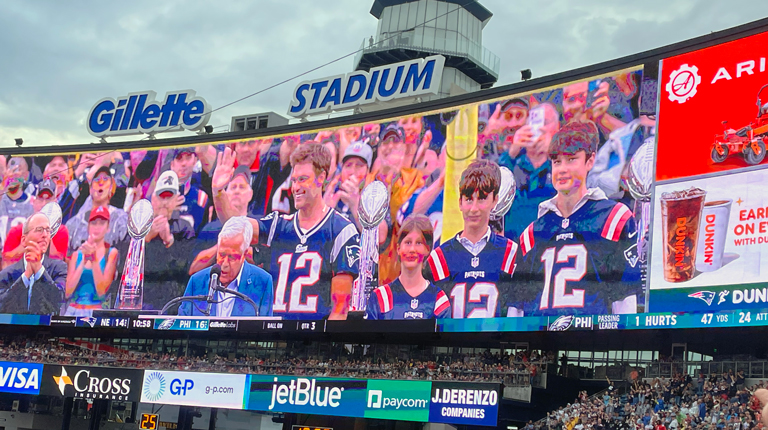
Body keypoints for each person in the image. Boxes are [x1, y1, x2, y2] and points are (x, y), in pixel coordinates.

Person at [510, 121, 641, 316]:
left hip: (593, 342)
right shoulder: (532, 232)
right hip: (537, 343)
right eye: (557, 162)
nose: (562, 169)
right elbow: (518, 307)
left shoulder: (614, 218)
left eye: (571, 159)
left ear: (590, 161)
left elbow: (624, 298)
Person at [221, 144, 360, 320]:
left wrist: (324, 345)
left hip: (314, 340)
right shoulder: (278, 225)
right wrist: (219, 193)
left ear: (321, 178)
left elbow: (340, 309)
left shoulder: (341, 230)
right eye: (293, 180)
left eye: (302, 179)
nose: (295, 187)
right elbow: (235, 226)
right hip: (273, 337)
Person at [426, 160, 519, 318]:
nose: (474, 208)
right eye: (469, 199)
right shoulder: (439, 258)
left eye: (482, 199)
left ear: (495, 201)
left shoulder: (511, 253)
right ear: (460, 202)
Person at [178, 217, 273, 317]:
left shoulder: (263, 282)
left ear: (244, 255)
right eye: (221, 255)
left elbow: (264, 328)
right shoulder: (197, 281)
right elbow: (181, 326)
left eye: (232, 257)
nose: (225, 264)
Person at [366, 214, 450, 320]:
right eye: (408, 242)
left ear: (427, 250)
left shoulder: (438, 300)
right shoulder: (380, 297)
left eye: (419, 243)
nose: (412, 249)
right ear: (398, 248)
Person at [498, 102, 559, 241]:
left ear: (556, 127)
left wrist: (554, 152)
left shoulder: (560, 162)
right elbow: (492, 187)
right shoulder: (512, 163)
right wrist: (512, 152)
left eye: (545, 122)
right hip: (515, 245)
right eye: (535, 121)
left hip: (549, 246)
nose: (539, 127)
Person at [140, 170, 198, 311]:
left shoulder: (185, 227)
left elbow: (186, 267)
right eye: (161, 197)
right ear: (153, 199)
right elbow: (128, 264)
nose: (165, 202)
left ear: (176, 199)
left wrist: (169, 241)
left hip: (173, 301)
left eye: (169, 197)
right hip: (145, 298)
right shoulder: (141, 224)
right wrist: (146, 239)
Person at [0, 213, 66, 314]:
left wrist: (38, 268)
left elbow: (59, 301)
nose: (45, 235)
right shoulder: (7, 273)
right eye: (39, 230)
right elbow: (2, 306)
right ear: (24, 240)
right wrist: (25, 277)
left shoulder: (59, 268)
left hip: (46, 329)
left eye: (48, 230)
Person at [64, 206, 119, 316]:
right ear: (88, 227)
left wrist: (94, 260)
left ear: (108, 227)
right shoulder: (76, 255)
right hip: (73, 309)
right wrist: (83, 261)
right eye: (94, 223)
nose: (97, 227)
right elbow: (68, 292)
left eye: (101, 223)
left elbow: (102, 292)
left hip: (96, 311)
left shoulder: (111, 253)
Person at [3, 179, 69, 267]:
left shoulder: (61, 231)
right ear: (33, 202)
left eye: (48, 200)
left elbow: (60, 265)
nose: (44, 204)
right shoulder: (17, 231)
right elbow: (5, 265)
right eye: (40, 199)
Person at [64, 165, 128, 254]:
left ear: (111, 189)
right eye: (96, 180)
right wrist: (78, 256)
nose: (100, 183)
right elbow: (65, 259)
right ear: (90, 189)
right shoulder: (73, 224)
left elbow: (124, 255)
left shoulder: (121, 219)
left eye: (105, 179)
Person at [169, 147, 209, 233]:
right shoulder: (161, 196)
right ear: (172, 165)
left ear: (195, 161)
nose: (184, 163)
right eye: (179, 159)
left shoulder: (201, 197)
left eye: (188, 158)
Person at [0, 157, 34, 243]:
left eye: (19, 168)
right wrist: (5, 183)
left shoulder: (33, 202)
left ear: (26, 175)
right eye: (10, 168)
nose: (14, 172)